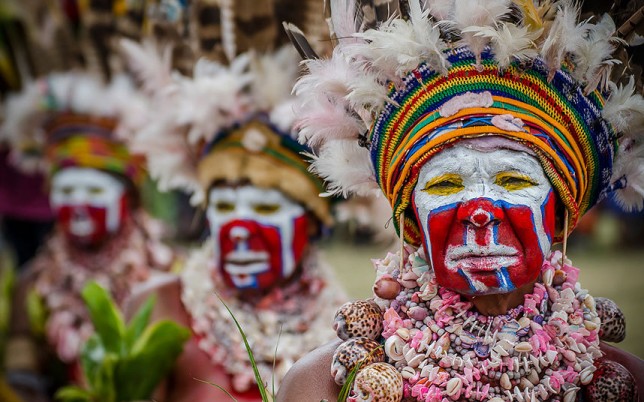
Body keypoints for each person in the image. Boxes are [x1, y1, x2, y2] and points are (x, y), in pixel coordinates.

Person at [277, 0, 644, 401]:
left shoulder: (627, 383)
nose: (480, 212)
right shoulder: (322, 387)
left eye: (513, 179)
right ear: (412, 221)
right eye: (446, 185)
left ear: (561, 218)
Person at [120, 2, 344, 399]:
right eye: (223, 207)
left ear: (311, 219)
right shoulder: (161, 306)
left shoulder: (349, 327)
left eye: (265, 208)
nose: (238, 231)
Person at [1, 73, 175, 400]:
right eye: (66, 190)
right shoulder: (34, 284)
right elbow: (21, 381)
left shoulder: (171, 273)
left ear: (129, 198)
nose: (78, 205)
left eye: (93, 190)